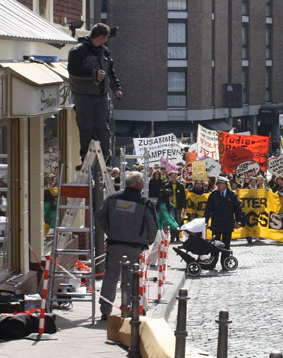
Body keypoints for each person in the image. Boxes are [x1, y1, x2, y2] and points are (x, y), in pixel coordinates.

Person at [96, 171, 157, 320]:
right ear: (137, 184)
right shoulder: (145, 202)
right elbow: (153, 225)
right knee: (132, 278)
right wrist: (148, 241)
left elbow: (100, 216)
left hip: (114, 244)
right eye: (141, 181)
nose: (142, 184)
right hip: (135, 246)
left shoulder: (113, 198)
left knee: (110, 276)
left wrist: (109, 231)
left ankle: (105, 309)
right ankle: (130, 308)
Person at [68, 23, 122, 169]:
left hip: (101, 96)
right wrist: (93, 75)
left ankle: (106, 158)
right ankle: (86, 159)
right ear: (101, 37)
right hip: (83, 96)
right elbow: (73, 71)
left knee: (102, 128)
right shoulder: (78, 51)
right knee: (86, 128)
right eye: (105, 38)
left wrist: (116, 88)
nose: (106, 41)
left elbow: (111, 72)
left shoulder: (104, 52)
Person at [203, 177, 243, 268]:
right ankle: (212, 262)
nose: (219, 186)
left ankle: (225, 263)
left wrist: (239, 221)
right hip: (216, 223)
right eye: (218, 184)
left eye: (221, 184)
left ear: (224, 184)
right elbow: (208, 209)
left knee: (226, 244)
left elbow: (238, 209)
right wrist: (205, 222)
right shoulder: (213, 195)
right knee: (214, 244)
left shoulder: (232, 195)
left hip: (227, 223)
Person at [161, 170, 187, 242]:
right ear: (170, 176)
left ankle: (178, 236)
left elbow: (183, 197)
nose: (174, 177)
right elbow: (164, 196)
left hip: (178, 206)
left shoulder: (181, 186)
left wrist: (185, 206)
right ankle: (172, 237)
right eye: (172, 176)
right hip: (170, 206)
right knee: (172, 221)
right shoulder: (166, 185)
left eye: (175, 175)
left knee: (178, 221)